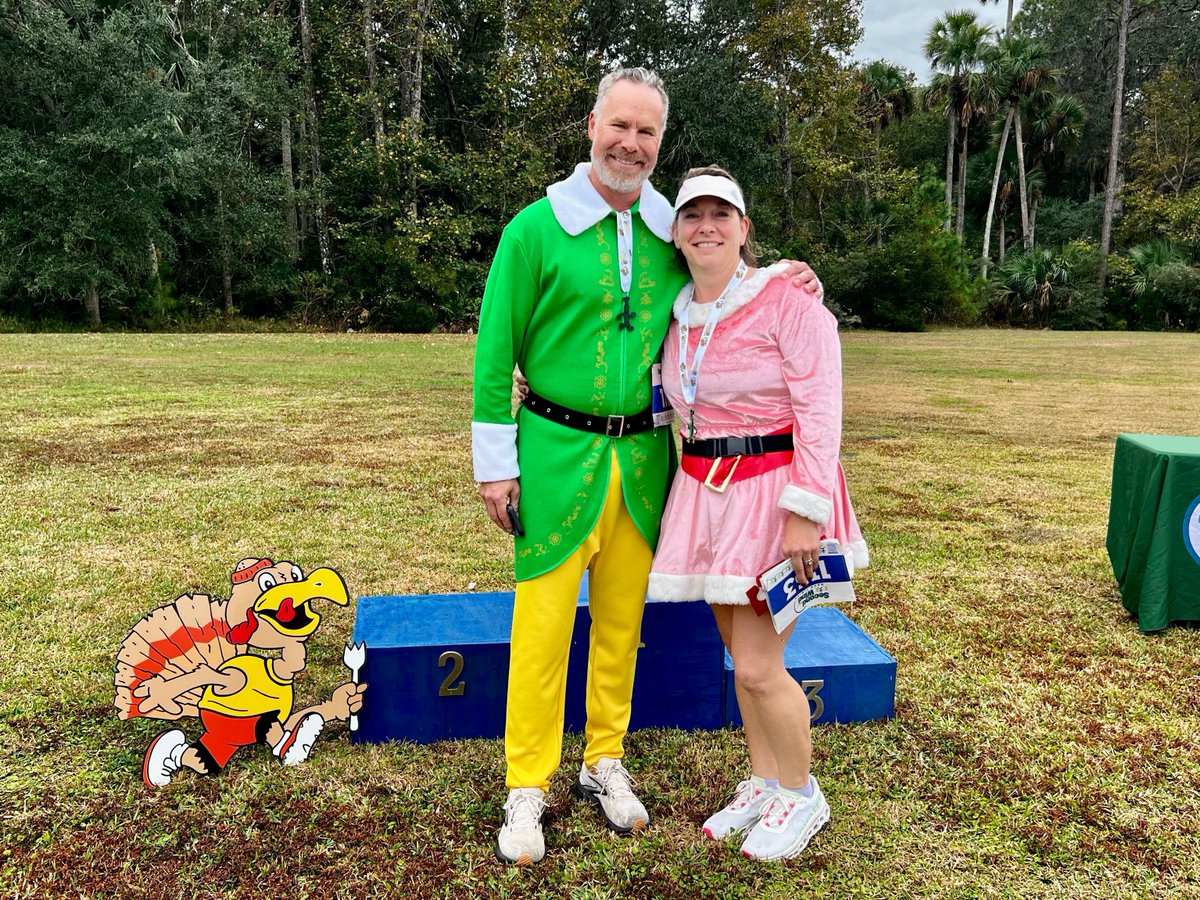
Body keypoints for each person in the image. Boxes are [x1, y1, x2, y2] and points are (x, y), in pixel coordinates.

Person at [471, 69, 822, 866]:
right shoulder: (533, 230)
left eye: (647, 132)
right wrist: (496, 467)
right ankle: (527, 781)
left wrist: (796, 278)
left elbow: (733, 288)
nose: (630, 143)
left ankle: (604, 759)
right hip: (553, 456)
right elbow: (494, 355)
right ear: (592, 126)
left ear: (661, 142)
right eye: (619, 126)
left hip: (644, 463)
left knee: (622, 625)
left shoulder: (672, 233)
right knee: (542, 626)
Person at [646, 167, 868, 861]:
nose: (706, 226)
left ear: (744, 229)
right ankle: (766, 781)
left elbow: (820, 409)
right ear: (676, 233)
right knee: (738, 660)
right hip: (706, 495)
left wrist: (806, 510)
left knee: (758, 667)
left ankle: (802, 794)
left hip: (774, 495)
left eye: (722, 214)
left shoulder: (788, 301)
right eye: (693, 215)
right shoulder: (674, 314)